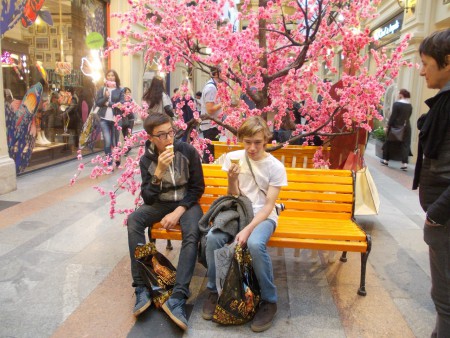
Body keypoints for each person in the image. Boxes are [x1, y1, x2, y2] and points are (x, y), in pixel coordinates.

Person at [202, 116, 288, 332]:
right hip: (239, 212)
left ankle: (269, 301)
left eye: (257, 142)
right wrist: (232, 178)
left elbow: (269, 206)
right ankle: (214, 291)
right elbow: (234, 195)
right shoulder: (233, 158)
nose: (252, 148)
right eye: (247, 142)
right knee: (213, 238)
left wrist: (248, 230)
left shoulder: (275, 167)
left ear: (266, 140)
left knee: (255, 245)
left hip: (263, 217)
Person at [126, 113, 205, 330]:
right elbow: (148, 198)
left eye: (171, 132)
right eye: (162, 135)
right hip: (160, 203)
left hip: (186, 204)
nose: (169, 138)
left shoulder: (187, 151)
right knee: (134, 220)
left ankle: (178, 296)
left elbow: (197, 188)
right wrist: (158, 173)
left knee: (192, 233)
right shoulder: (146, 160)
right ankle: (141, 287)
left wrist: (178, 212)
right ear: (151, 138)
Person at [412, 28, 450, 338]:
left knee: (445, 298)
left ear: (447, 61)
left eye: (426, 63)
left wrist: (437, 214)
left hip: (446, 220)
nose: (422, 71)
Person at [95, 69, 124, 166]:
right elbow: (98, 103)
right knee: (107, 141)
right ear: (106, 77)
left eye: (113, 75)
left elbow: (121, 104)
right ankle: (109, 162)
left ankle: (117, 158)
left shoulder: (120, 90)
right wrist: (105, 98)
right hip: (104, 119)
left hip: (116, 119)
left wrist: (108, 103)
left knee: (115, 141)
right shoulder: (102, 89)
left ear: (116, 77)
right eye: (109, 75)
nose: (111, 77)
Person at [380, 89, 412, 170]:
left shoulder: (397, 104)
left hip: (395, 127)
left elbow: (393, 117)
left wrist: (388, 126)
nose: (398, 95)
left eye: (399, 94)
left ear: (401, 95)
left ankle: (386, 160)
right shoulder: (409, 105)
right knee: (405, 144)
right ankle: (404, 164)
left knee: (389, 143)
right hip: (406, 127)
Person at [200, 67, 222, 162]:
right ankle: (205, 174)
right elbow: (210, 109)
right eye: (223, 72)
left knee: (210, 152)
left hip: (212, 126)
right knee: (209, 153)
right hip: (210, 127)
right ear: (217, 74)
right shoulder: (211, 88)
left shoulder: (213, 86)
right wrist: (224, 103)